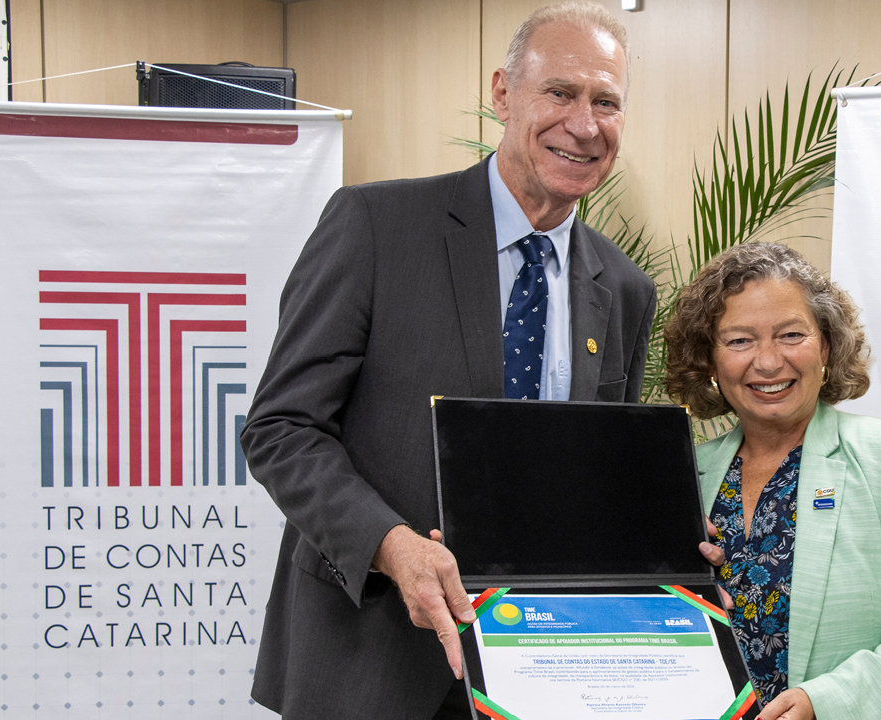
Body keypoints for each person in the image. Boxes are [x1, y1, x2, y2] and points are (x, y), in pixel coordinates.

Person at [240, 3, 656, 718]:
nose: (585, 125)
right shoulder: (375, 227)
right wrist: (390, 544)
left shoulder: (624, 289)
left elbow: (596, 480)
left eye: (606, 102)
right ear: (503, 92)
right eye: (560, 92)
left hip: (534, 669)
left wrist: (667, 544)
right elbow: (281, 428)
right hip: (366, 661)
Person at [663, 242, 881, 720]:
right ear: (709, 361)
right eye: (739, 340)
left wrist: (826, 703)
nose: (768, 362)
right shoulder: (686, 475)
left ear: (827, 346)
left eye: (791, 334)